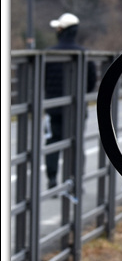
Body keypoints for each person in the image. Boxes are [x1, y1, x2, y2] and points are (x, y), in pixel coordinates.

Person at [44, 13, 97, 189]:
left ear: (61, 30)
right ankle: (75, 181)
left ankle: (52, 180)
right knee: (76, 143)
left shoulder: (49, 54)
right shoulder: (84, 54)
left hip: (54, 107)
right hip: (77, 107)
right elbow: (91, 81)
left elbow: (41, 79)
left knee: (53, 142)